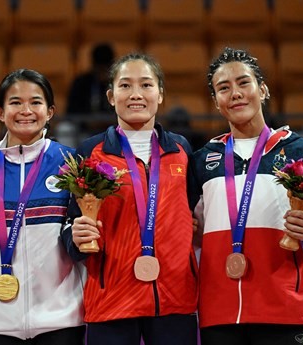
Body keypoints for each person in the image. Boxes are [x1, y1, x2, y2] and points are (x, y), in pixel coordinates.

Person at [62, 53, 198, 345]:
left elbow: (191, 212)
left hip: (174, 300)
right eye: (125, 86)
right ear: (111, 96)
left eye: (146, 85)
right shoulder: (90, 151)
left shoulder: (181, 149)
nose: (136, 94)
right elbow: (70, 221)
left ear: (160, 94)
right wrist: (74, 237)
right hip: (111, 301)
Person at [188, 47, 303, 345]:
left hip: (282, 306)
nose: (235, 94)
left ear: (263, 89)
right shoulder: (203, 160)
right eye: (224, 88)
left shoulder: (299, 151)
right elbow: (184, 223)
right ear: (216, 102)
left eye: (244, 83)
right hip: (219, 310)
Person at [0, 69, 86, 345]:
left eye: (36, 102)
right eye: (16, 102)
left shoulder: (71, 163)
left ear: (50, 111)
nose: (26, 110)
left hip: (62, 320)